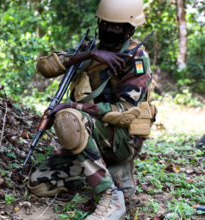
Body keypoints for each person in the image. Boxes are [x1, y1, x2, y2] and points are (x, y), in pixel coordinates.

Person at [27, 0, 156, 219]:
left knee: (69, 117)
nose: (109, 30)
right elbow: (44, 67)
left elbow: (125, 112)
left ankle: (111, 196)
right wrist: (89, 56)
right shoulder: (91, 50)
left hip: (122, 139)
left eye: (116, 27)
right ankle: (115, 172)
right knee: (38, 183)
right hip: (91, 137)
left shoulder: (135, 59)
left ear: (129, 29)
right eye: (105, 23)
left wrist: (72, 106)